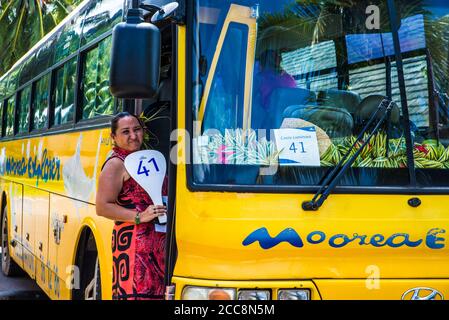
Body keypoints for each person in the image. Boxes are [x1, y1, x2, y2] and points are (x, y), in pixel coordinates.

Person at [96, 112, 167, 300]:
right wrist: (139, 216)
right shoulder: (115, 164)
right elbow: (102, 207)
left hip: (157, 245)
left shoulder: (146, 158)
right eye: (125, 132)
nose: (133, 136)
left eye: (137, 130)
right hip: (133, 247)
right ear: (114, 136)